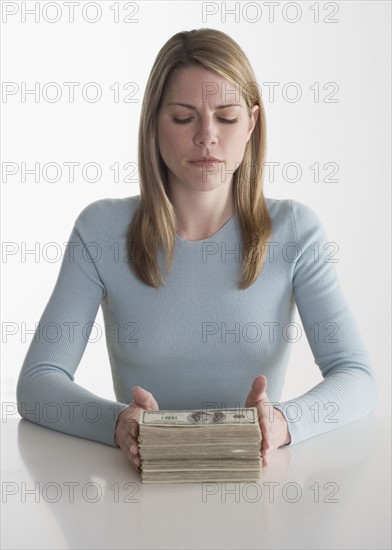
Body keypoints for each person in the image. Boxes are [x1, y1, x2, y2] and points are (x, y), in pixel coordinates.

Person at [16, 28, 378, 474]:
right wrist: (118, 423)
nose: (207, 137)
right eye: (184, 117)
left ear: (251, 124)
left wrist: (282, 423)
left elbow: (356, 377)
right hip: (138, 496)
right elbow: (38, 384)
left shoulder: (296, 231)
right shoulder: (101, 230)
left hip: (255, 493)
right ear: (154, 123)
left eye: (226, 117)